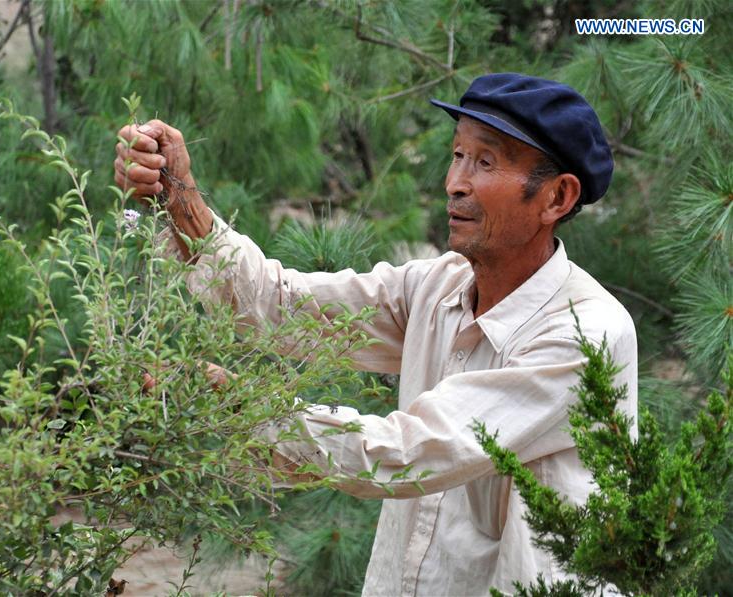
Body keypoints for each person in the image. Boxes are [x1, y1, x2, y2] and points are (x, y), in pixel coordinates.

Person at [113, 73, 637, 596]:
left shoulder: (585, 334)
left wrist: (238, 406)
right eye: (458, 155)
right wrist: (180, 199)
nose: (455, 182)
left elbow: (410, 452)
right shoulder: (436, 287)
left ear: (557, 197)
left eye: (485, 162)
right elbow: (281, 308)